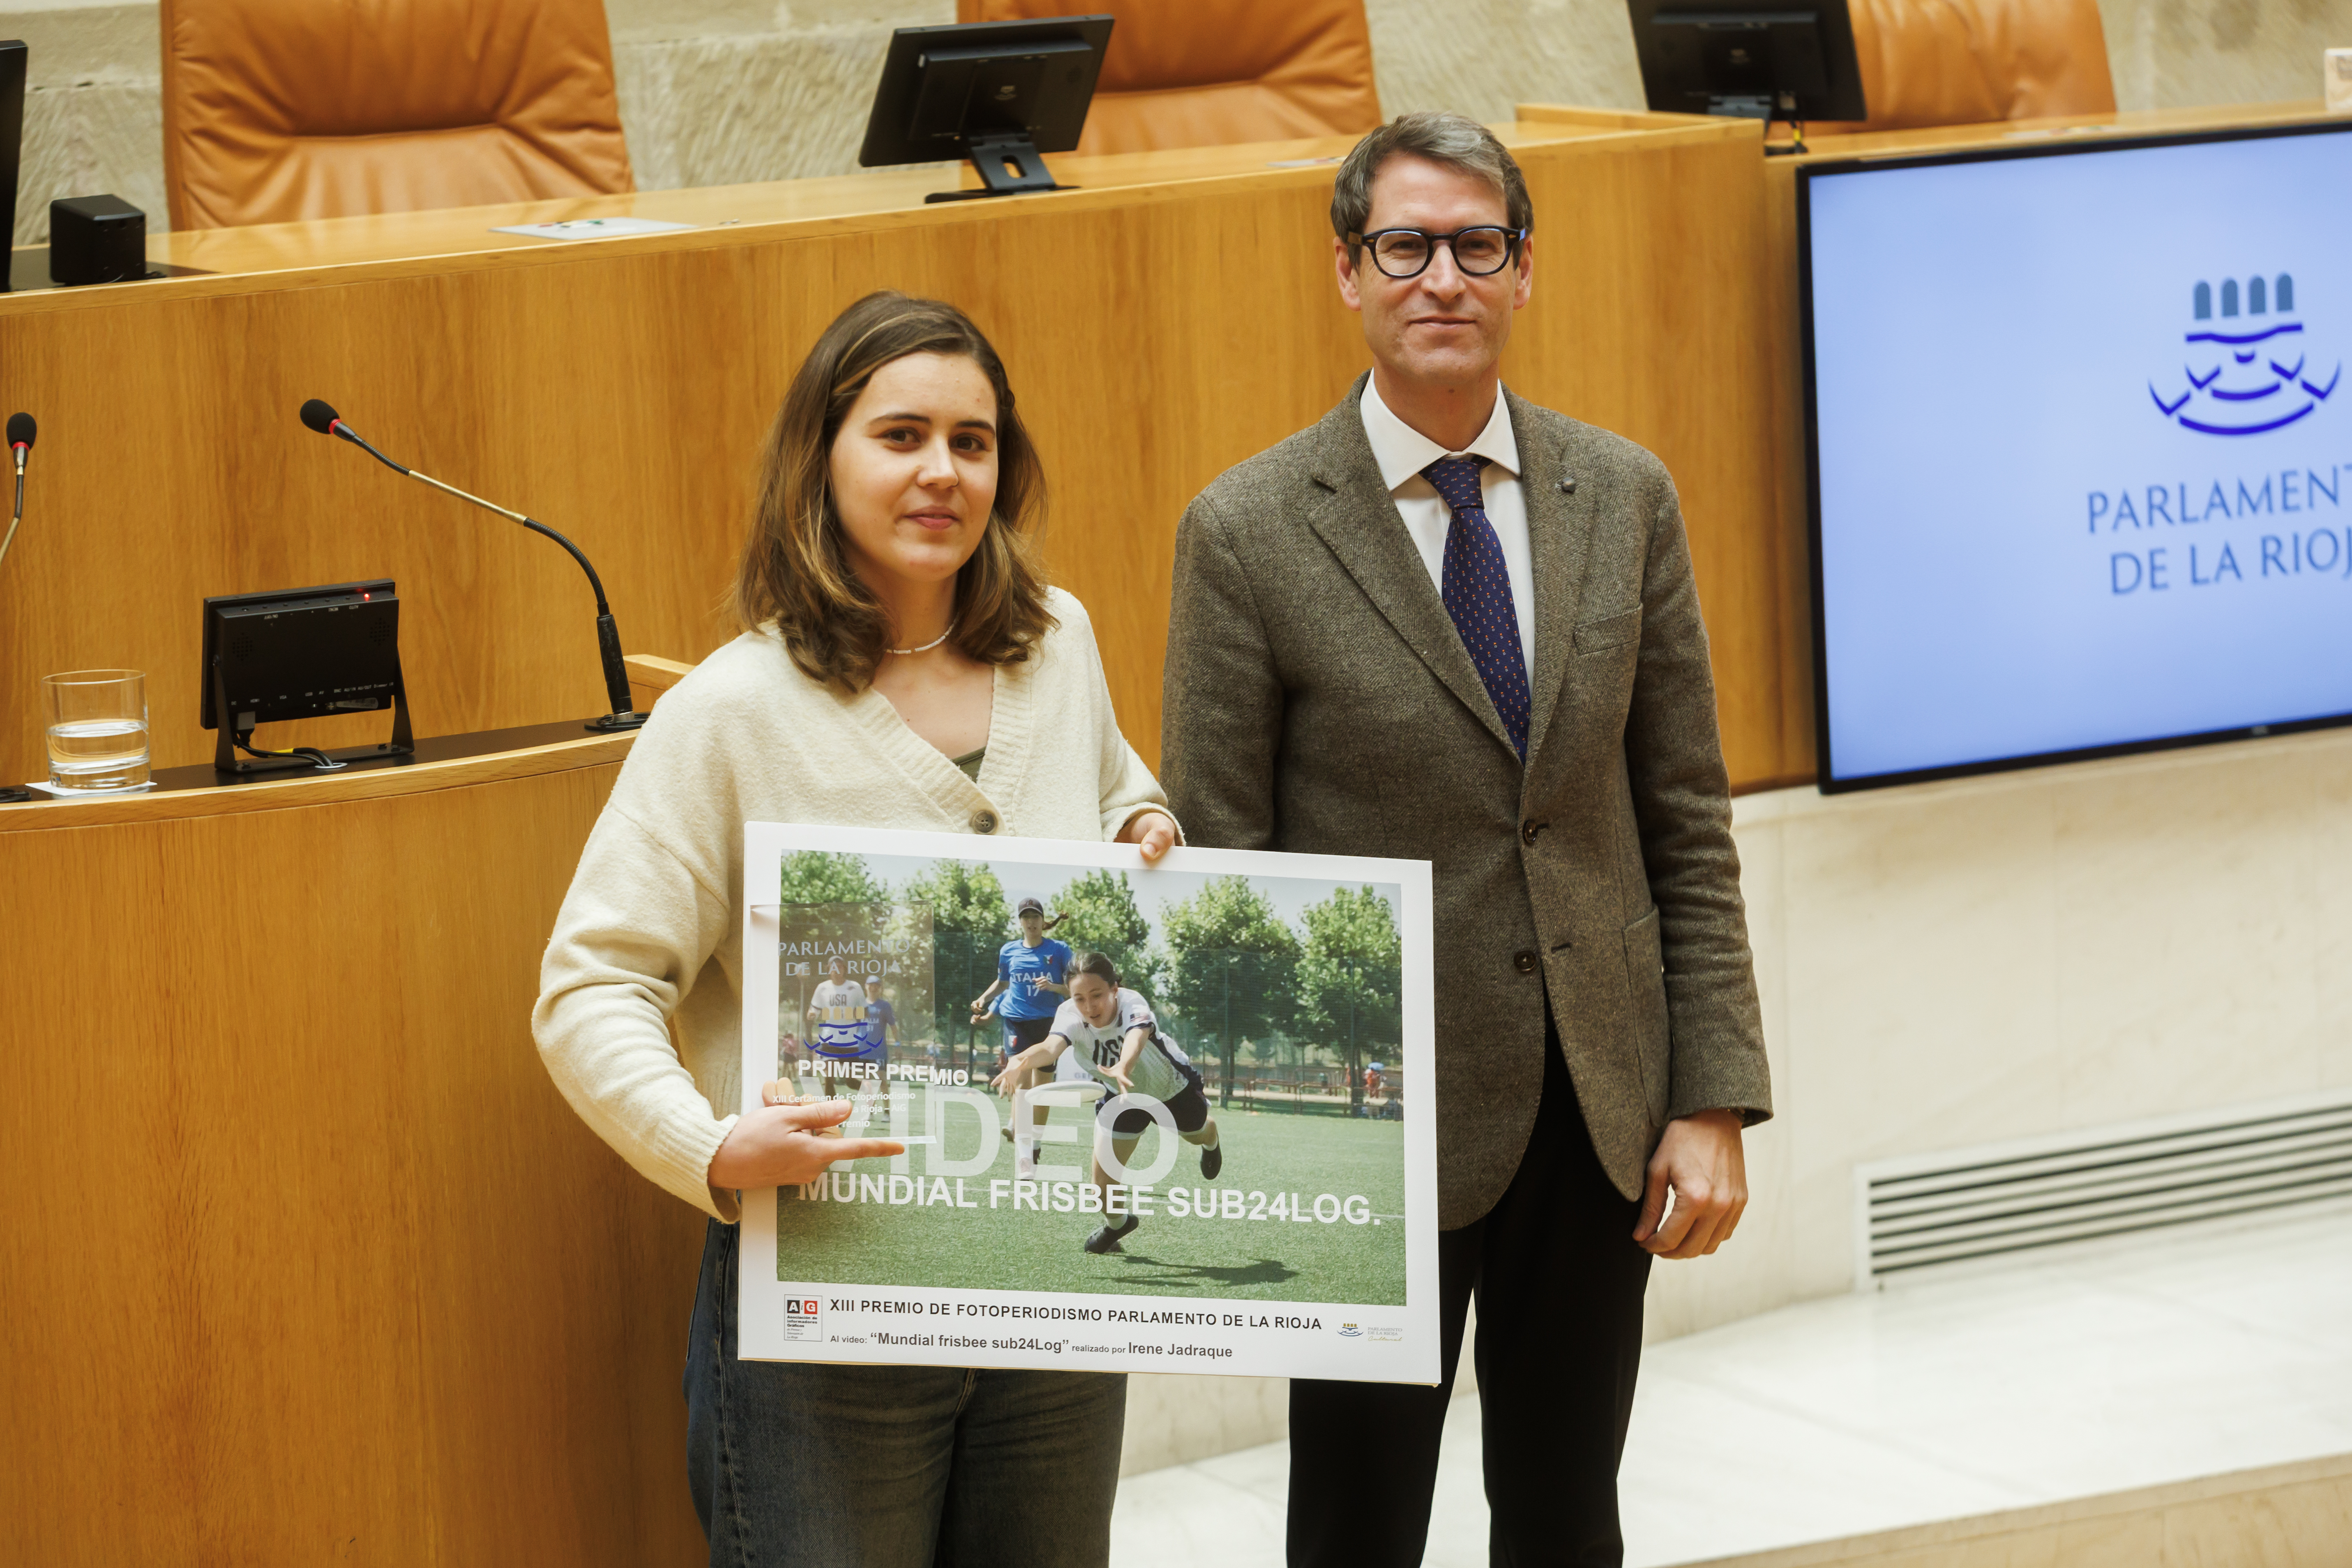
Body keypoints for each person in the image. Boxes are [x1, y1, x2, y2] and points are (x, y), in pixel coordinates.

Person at [1160, 112, 1773, 1568]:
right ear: (1348, 274)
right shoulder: (1243, 531)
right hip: (1368, 1123)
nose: (1442, 275)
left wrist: (1713, 1096)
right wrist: (1254, 1147)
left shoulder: (1621, 494)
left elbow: (1683, 817)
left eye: (1475, 245)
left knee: (1568, 1514)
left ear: (1522, 270)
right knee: (1355, 1525)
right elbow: (1228, 868)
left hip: (1595, 1095)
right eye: (1405, 245)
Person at [533, 290, 1178, 1568]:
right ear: (819, 463)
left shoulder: (1062, 647)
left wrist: (1144, 824)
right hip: (828, 1318)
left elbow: (1117, 790)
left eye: (974, 441)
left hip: (1048, 1313)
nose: (943, 470)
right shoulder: (729, 711)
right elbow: (588, 984)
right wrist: (710, 1144)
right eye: (901, 435)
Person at [989, 952, 1222, 1254]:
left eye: (1097, 995)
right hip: (1120, 1096)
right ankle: (1118, 1225)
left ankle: (1211, 1136)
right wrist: (1019, 1061)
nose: (1089, 1006)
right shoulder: (1069, 1015)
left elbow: (1138, 1035)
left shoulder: (1132, 1002)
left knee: (1195, 1135)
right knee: (1100, 1187)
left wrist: (1123, 1067)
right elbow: (1049, 1048)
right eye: (1080, 998)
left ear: (1114, 988)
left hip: (1170, 1086)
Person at [973, 895, 1075, 1162]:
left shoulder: (1059, 950)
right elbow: (1002, 983)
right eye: (1026, 917)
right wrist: (984, 999)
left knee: (1042, 1088)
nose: (1031, 922)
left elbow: (1076, 988)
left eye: (1035, 917)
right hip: (1017, 1021)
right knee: (1021, 1083)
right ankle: (1021, 1140)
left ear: (1043, 921)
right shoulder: (1009, 951)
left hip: (1049, 1024)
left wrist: (1053, 987)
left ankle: (1036, 1143)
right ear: (1020, 922)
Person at [806, 955, 874, 1098]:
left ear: (845, 969)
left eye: (840, 967)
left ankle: (867, 1091)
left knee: (849, 1082)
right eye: (834, 967)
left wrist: (851, 1013)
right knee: (829, 1080)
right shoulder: (822, 988)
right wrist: (811, 1014)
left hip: (850, 1041)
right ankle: (834, 1118)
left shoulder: (854, 987)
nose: (837, 970)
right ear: (829, 969)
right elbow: (813, 1011)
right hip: (829, 1040)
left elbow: (866, 1012)